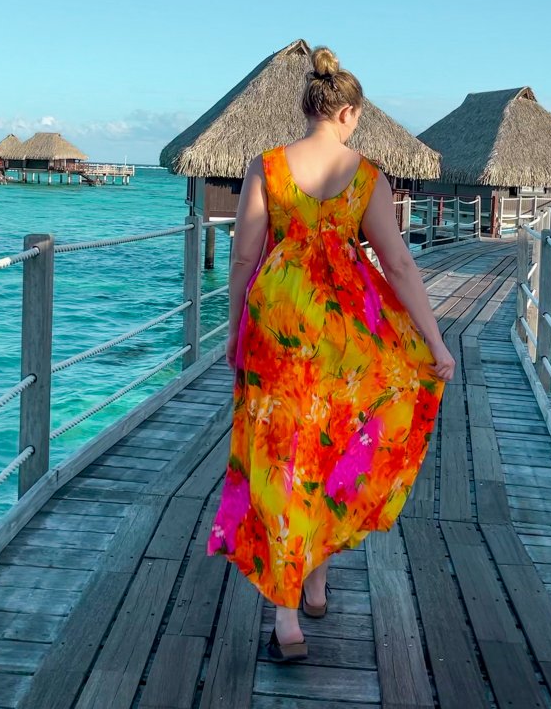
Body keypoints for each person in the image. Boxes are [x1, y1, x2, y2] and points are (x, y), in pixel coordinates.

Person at [206, 46, 455, 662]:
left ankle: (288, 620)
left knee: (279, 457)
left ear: (307, 108)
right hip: (347, 336)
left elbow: (242, 257)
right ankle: (315, 582)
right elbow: (397, 264)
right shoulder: (367, 176)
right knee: (335, 445)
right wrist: (435, 341)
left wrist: (234, 330)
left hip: (278, 323)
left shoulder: (267, 166)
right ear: (346, 113)